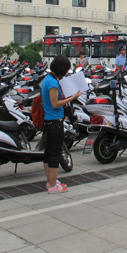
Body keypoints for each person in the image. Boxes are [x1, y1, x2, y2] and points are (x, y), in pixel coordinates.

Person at [41, 55, 82, 194]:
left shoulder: (48, 79)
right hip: (55, 122)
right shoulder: (52, 83)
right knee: (54, 154)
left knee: (48, 153)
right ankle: (53, 186)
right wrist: (72, 98)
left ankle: (50, 181)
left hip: (49, 121)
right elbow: (55, 103)